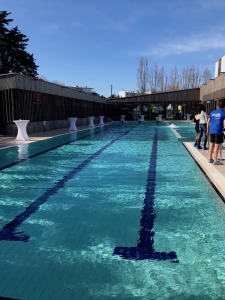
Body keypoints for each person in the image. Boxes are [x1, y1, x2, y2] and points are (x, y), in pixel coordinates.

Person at [207, 100, 225, 165]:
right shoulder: (223, 113)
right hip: (218, 130)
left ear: (218, 105)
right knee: (217, 145)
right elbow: (224, 123)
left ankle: (210, 159)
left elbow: (208, 122)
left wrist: (207, 130)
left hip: (212, 130)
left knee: (211, 144)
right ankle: (215, 160)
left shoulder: (212, 112)